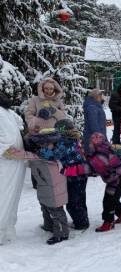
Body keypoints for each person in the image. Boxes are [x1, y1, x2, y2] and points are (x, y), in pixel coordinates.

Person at [39, 119, 90, 230]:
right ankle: (83, 219)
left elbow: (53, 156)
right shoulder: (73, 139)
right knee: (80, 198)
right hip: (81, 173)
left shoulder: (65, 142)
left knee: (72, 202)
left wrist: (43, 150)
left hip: (75, 176)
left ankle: (81, 223)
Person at [25, 78, 66, 189]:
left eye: (51, 88)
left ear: (55, 88)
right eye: (46, 88)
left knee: (51, 159)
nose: (48, 90)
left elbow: (63, 117)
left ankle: (51, 179)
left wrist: (54, 111)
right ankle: (37, 182)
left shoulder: (58, 101)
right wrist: (34, 125)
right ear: (42, 88)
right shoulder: (35, 100)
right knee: (37, 159)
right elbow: (28, 115)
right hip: (38, 135)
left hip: (54, 135)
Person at [86, 133, 121, 232]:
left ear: (95, 143)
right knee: (112, 198)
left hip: (118, 179)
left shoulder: (101, 154)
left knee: (109, 200)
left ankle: (108, 222)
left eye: (90, 142)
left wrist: (80, 170)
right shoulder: (101, 149)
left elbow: (93, 167)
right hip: (118, 176)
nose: (89, 144)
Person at [0, 93, 26, 245]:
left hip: (11, 162)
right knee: (7, 196)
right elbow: (8, 140)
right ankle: (6, 230)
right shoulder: (5, 112)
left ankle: (6, 231)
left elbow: (8, 141)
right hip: (10, 161)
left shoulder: (5, 113)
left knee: (8, 196)